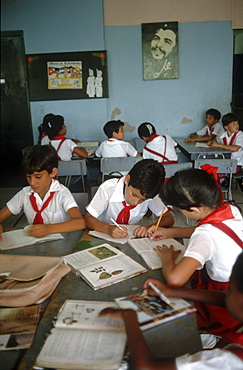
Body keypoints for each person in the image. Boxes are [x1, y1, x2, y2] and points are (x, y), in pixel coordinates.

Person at [99, 252, 243, 369]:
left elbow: (145, 368)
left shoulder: (230, 360)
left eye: (229, 288)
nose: (226, 292)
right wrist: (171, 291)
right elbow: (225, 299)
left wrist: (129, 318)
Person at [146, 167, 242, 336]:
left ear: (194, 210)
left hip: (225, 303)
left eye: (179, 209)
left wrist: (167, 257)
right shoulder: (229, 207)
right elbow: (212, 228)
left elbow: (175, 280)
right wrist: (169, 232)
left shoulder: (204, 235)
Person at [0, 145, 86, 239]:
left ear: (53, 172)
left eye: (38, 177)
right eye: (28, 177)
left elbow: (80, 223)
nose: (32, 183)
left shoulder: (61, 193)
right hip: (36, 245)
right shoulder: (25, 193)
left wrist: (48, 229)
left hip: (61, 244)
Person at [84, 159, 174, 239]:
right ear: (127, 180)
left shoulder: (150, 193)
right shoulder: (108, 189)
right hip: (103, 234)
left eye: (143, 200)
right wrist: (108, 229)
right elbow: (87, 218)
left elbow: (168, 219)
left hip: (129, 238)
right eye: (134, 195)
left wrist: (150, 227)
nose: (136, 203)